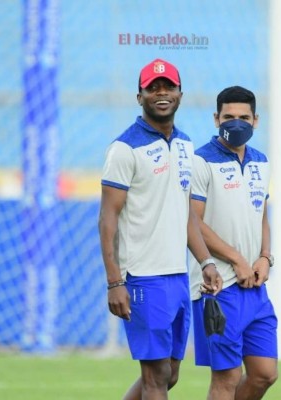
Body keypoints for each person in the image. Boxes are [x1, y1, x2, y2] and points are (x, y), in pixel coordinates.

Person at [98, 58, 222, 400]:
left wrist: (206, 262)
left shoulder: (185, 146)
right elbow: (107, 219)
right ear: (139, 97)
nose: (161, 93)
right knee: (155, 377)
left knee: (170, 374)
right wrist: (114, 281)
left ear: (180, 94)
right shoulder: (124, 149)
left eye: (168, 86)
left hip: (178, 276)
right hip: (142, 277)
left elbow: (186, 215)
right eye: (153, 88)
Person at [189, 86, 278, 399]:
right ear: (216, 119)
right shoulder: (201, 161)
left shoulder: (261, 162)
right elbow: (194, 222)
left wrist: (265, 257)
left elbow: (261, 215)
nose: (236, 123)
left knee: (265, 374)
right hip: (219, 288)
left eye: (243, 117)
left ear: (256, 121)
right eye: (229, 117)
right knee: (226, 378)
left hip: (255, 288)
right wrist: (237, 259)